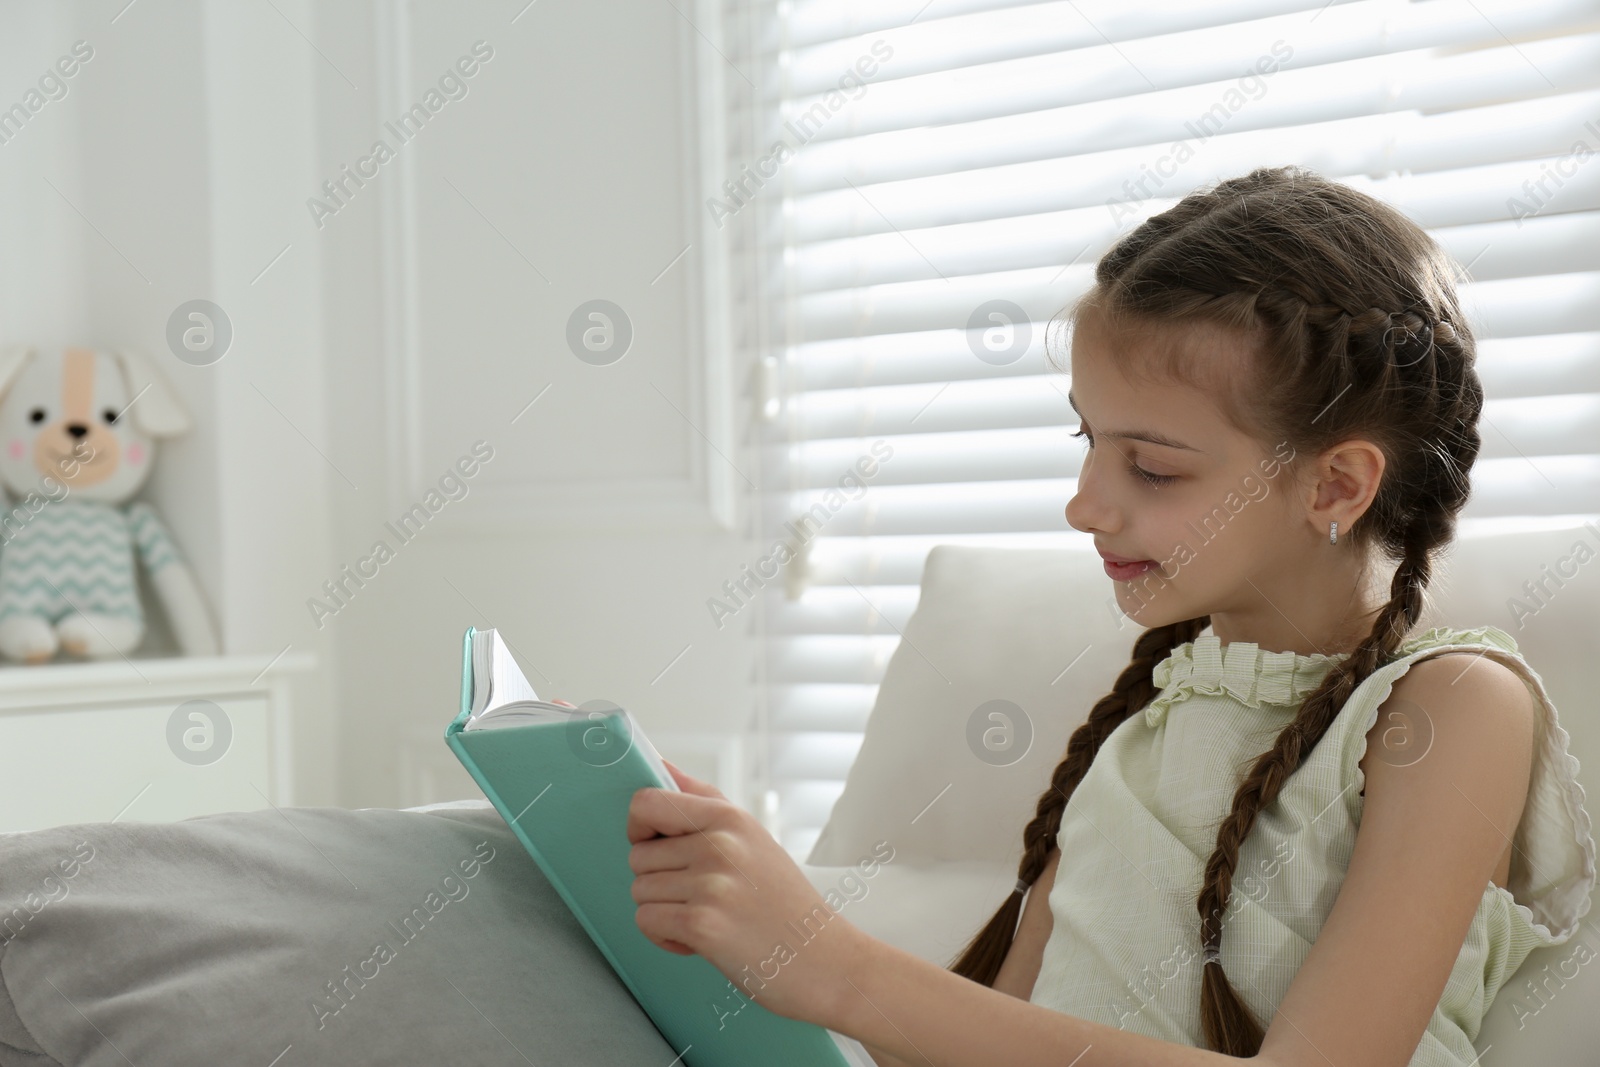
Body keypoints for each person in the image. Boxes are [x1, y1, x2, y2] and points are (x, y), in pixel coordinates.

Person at [625, 165, 1596, 1066]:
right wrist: (731, 917)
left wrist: (837, 967)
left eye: (1153, 465)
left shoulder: (1452, 706)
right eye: (1085, 440)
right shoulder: (1149, 714)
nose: (1084, 502)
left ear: (1335, 483)